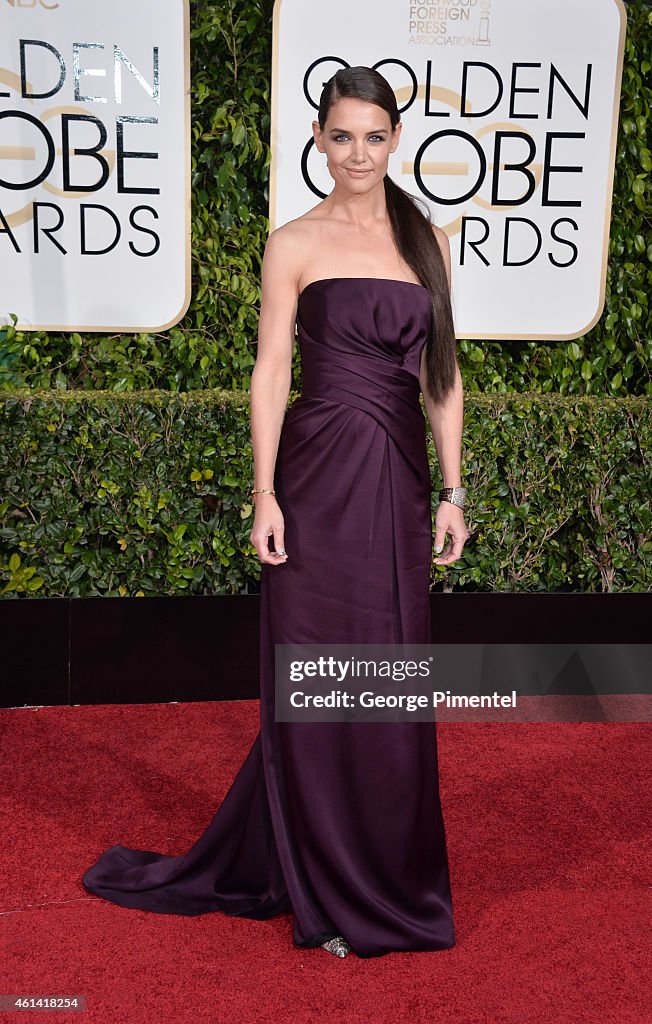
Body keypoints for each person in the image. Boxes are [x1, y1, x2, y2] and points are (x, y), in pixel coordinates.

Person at [82, 65, 469, 960]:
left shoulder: (427, 242)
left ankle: (384, 877)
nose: (358, 154)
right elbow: (269, 374)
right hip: (316, 478)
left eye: (374, 137)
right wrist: (264, 492)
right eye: (342, 137)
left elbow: (441, 379)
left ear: (395, 139)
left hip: (399, 480)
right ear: (317, 137)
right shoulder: (291, 241)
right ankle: (324, 888)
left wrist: (453, 489)